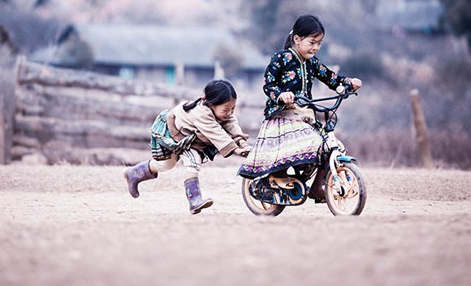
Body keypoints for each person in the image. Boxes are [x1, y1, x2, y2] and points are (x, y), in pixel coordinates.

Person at [237, 14, 362, 202]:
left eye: (319, 43)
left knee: (328, 146)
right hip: (282, 116)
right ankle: (273, 178)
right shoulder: (281, 58)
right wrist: (280, 95)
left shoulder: (312, 62)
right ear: (297, 39)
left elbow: (330, 77)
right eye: (312, 42)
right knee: (302, 143)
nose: (315, 47)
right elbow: (268, 84)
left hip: (304, 115)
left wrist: (348, 83)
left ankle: (317, 186)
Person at [124, 79, 250, 214]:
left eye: (233, 108)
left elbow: (232, 125)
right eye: (226, 109)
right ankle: (194, 200)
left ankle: (134, 173)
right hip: (176, 134)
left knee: (166, 165)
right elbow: (216, 133)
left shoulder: (225, 114)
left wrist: (243, 144)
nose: (230, 112)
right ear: (211, 104)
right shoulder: (202, 114)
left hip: (189, 138)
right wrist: (236, 149)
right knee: (191, 161)